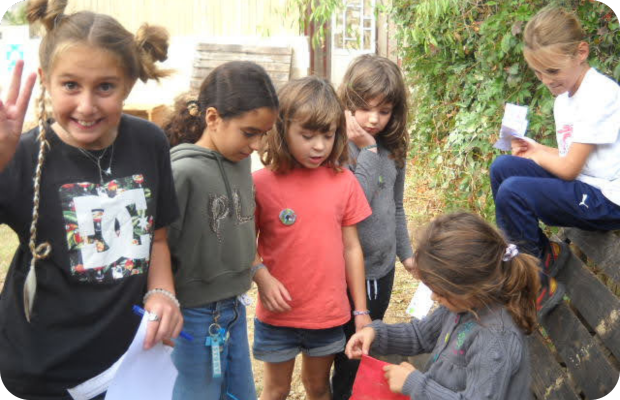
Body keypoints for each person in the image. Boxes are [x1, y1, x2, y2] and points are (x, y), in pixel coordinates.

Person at [0, 0, 182, 398]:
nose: (86, 106)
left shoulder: (149, 141)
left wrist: (162, 292)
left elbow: (157, 237)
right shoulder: (22, 154)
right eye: (70, 85)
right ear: (46, 80)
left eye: (105, 87)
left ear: (128, 84)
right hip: (40, 375)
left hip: (125, 365)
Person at [490, 6, 620, 317]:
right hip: (585, 184)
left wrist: (538, 154)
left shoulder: (600, 95)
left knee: (513, 192)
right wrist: (535, 148)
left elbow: (570, 168)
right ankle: (544, 255)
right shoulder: (565, 97)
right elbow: (569, 157)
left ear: (581, 53)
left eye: (552, 71)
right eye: (538, 73)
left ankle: (534, 286)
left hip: (607, 198)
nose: (546, 81)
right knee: (502, 168)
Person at [163, 61, 279, 400]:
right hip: (192, 316)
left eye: (263, 134)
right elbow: (159, 248)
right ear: (212, 118)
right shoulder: (181, 172)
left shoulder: (240, 162)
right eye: (249, 132)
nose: (257, 144)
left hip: (234, 309)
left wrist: (257, 273)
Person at [252, 76, 372, 400]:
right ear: (282, 129)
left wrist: (361, 311)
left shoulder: (344, 181)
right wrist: (260, 275)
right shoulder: (260, 184)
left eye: (328, 135)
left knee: (318, 387)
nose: (319, 146)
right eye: (307, 136)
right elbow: (245, 245)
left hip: (328, 314)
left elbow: (352, 248)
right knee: (275, 390)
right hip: (278, 314)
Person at [345, 212, 540, 400]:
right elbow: (421, 335)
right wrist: (376, 334)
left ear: (468, 287)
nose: (434, 297)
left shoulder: (495, 338)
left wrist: (414, 384)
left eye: (441, 293)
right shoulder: (462, 305)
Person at [332, 54, 415, 400]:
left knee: (361, 352)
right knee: (339, 352)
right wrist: (367, 150)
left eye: (384, 111)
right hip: (346, 273)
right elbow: (354, 204)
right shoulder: (336, 148)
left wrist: (407, 256)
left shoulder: (393, 148)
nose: (373, 119)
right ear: (348, 103)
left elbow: (396, 206)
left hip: (381, 270)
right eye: (365, 108)